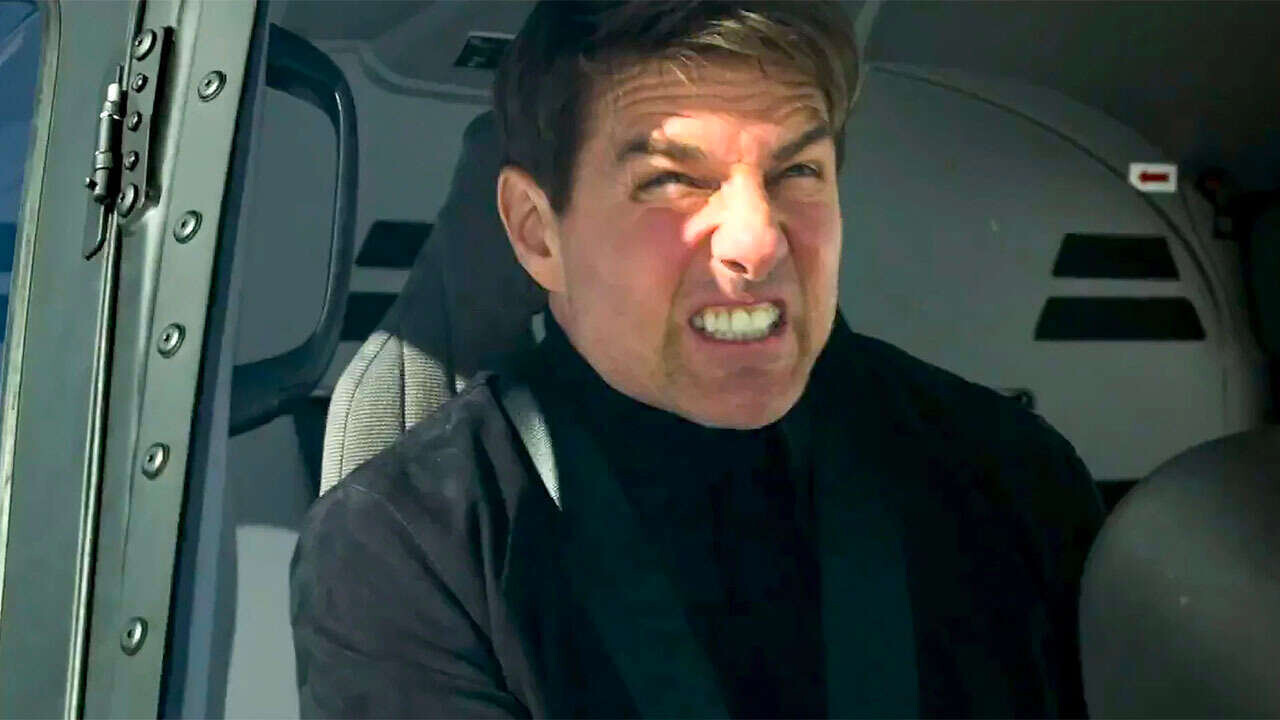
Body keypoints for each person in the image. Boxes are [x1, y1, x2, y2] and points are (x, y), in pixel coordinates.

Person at [289, 2, 1106, 717]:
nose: (758, 240)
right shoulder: (407, 548)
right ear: (538, 233)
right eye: (672, 181)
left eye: (798, 171)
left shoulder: (1011, 474)